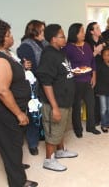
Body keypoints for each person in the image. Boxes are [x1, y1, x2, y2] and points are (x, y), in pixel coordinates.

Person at [0, 19, 38, 187]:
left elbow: (11, 74)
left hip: (10, 107)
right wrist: (19, 113)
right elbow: (2, 91)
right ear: (0, 38)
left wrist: (21, 66)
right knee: (10, 144)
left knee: (14, 141)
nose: (12, 36)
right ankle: (18, 181)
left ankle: (15, 165)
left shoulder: (5, 52)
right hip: (4, 110)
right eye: (8, 34)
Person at [36, 24, 78, 172]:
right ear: (53, 39)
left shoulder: (60, 51)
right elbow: (46, 82)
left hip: (65, 100)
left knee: (61, 129)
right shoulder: (48, 55)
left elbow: (62, 72)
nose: (64, 38)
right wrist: (54, 107)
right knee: (53, 131)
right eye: (61, 36)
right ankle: (49, 160)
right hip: (56, 102)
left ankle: (60, 151)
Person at [62, 23, 101, 138]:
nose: (84, 34)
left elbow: (92, 61)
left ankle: (91, 127)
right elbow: (64, 65)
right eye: (81, 32)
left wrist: (94, 76)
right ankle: (78, 129)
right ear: (75, 34)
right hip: (75, 81)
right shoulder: (68, 48)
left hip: (88, 80)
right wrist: (72, 71)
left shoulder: (87, 45)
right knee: (77, 106)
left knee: (91, 104)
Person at [17, 20, 47, 156]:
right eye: (42, 30)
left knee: (44, 112)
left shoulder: (44, 42)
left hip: (46, 82)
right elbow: (31, 69)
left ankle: (42, 135)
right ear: (34, 31)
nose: (44, 33)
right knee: (34, 114)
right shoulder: (25, 46)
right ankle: (33, 143)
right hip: (34, 86)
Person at [85, 22, 106, 126]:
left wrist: (102, 47)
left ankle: (104, 117)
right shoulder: (87, 43)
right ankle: (94, 119)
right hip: (92, 72)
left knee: (103, 94)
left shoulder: (103, 41)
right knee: (93, 96)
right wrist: (96, 52)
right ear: (92, 31)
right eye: (97, 28)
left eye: (99, 27)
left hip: (103, 71)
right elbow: (87, 59)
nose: (99, 29)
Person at [95, 47, 109, 133]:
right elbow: (96, 78)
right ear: (102, 56)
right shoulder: (99, 65)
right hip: (102, 90)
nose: (107, 57)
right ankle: (104, 124)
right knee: (103, 108)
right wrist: (97, 90)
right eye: (105, 55)